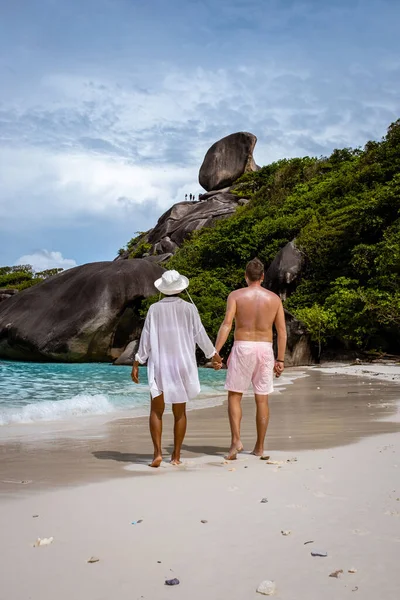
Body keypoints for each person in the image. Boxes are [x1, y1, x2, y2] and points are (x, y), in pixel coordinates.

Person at [131, 270, 221, 467]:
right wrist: (214, 355)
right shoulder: (189, 309)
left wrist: (137, 361)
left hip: (160, 365)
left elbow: (146, 338)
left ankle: (157, 454)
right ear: (181, 288)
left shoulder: (154, 309)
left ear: (163, 289)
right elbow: (200, 335)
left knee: (156, 410)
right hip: (182, 364)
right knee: (180, 412)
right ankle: (176, 456)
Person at [212, 258, 287, 459]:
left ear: (246, 277)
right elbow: (281, 332)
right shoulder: (274, 299)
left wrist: (216, 352)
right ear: (262, 277)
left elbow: (227, 324)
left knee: (235, 396)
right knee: (262, 399)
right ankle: (260, 448)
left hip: (243, 347)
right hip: (265, 349)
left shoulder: (236, 296)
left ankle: (236, 441)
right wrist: (280, 360)